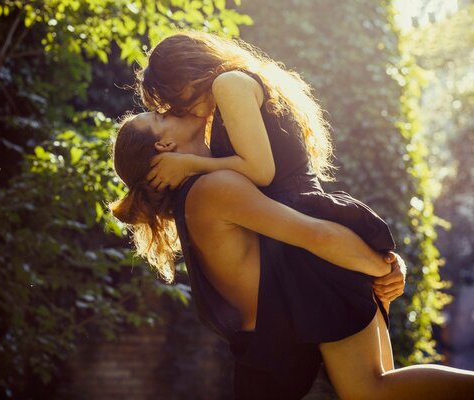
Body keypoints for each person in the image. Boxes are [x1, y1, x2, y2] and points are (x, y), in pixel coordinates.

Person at [109, 110, 474, 399]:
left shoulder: (206, 187)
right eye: (159, 116)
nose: (170, 108)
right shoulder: (212, 189)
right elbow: (315, 235)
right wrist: (385, 267)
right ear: (165, 144)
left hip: (297, 349)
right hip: (295, 362)